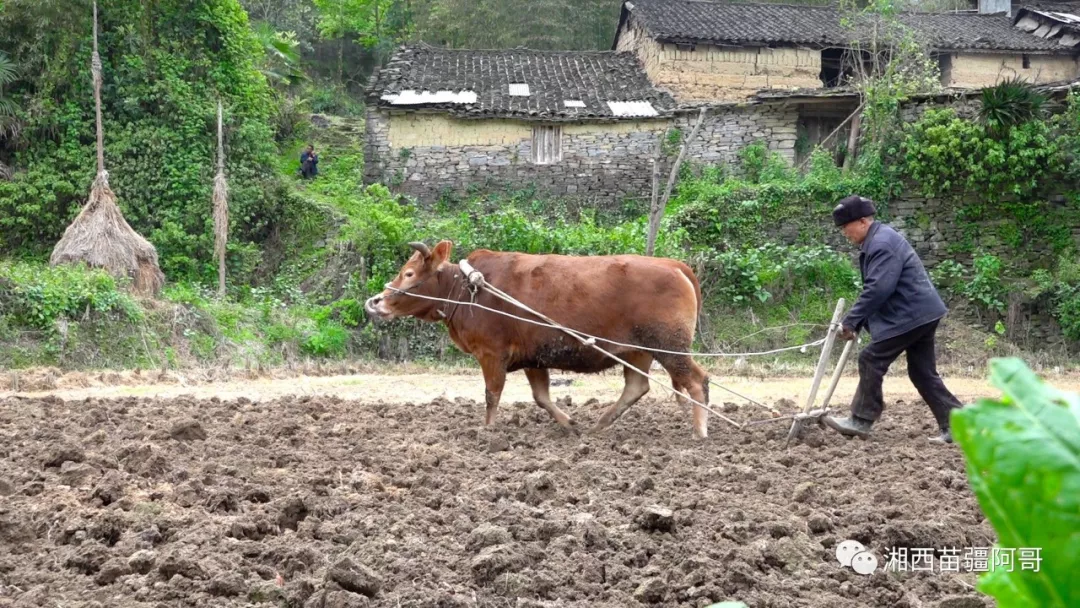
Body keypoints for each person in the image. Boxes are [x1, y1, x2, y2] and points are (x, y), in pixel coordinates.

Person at [820, 195, 964, 444]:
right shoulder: (879, 239)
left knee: (870, 359)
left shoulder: (881, 244)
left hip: (911, 315)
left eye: (846, 227)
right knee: (922, 373)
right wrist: (858, 321)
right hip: (921, 313)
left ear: (863, 221)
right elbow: (879, 289)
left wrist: (851, 321)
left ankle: (861, 420)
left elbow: (878, 289)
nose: (844, 233)